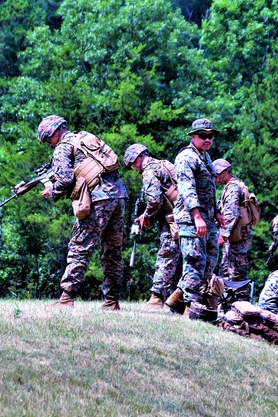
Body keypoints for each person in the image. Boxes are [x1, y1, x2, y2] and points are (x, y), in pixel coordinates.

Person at [38, 115, 127, 309]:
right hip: (118, 195)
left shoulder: (63, 147)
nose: (49, 145)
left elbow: (65, 180)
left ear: (54, 132)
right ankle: (112, 301)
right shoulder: (86, 137)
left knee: (80, 246)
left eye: (47, 139)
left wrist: (50, 190)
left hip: (97, 199)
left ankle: (66, 298)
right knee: (113, 251)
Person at [167, 119, 226, 314]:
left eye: (210, 136)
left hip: (208, 218)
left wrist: (217, 211)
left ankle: (176, 300)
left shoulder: (205, 157)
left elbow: (209, 189)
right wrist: (197, 216)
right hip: (191, 218)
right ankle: (190, 309)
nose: (207, 139)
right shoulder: (186, 157)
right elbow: (186, 189)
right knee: (195, 261)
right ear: (193, 136)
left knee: (209, 261)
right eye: (203, 135)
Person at [123, 143, 180, 309]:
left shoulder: (149, 171)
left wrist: (146, 216)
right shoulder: (165, 164)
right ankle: (177, 299)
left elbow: (155, 199)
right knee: (180, 258)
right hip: (183, 217)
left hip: (172, 220)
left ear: (138, 159)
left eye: (132, 165)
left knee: (166, 255)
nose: (134, 169)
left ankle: (156, 297)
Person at [214, 159, 255, 282]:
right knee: (227, 269)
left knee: (236, 270)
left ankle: (241, 299)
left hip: (238, 234)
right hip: (236, 233)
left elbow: (232, 214)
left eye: (217, 174)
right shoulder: (234, 185)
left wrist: (223, 234)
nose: (215, 178)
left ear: (225, 172)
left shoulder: (233, 188)